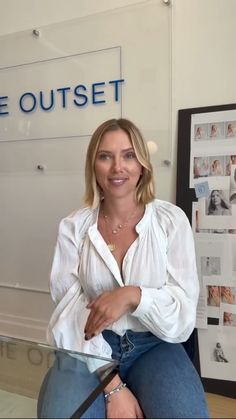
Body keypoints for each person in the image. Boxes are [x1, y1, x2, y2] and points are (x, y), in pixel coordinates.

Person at [37, 118, 209, 418]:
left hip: (154, 345)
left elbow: (182, 315)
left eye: (128, 155)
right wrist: (112, 385)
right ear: (94, 165)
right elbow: (67, 313)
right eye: (106, 156)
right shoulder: (73, 228)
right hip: (87, 347)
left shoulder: (171, 221)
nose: (118, 167)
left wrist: (134, 296)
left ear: (142, 164)